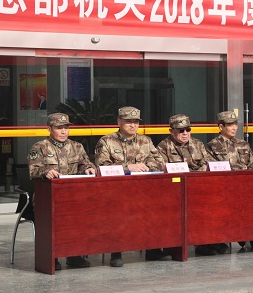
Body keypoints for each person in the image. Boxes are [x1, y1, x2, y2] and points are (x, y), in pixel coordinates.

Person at [94, 106, 168, 267]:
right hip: (116, 190)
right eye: (129, 122)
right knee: (117, 214)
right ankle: (116, 252)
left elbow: (159, 162)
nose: (133, 125)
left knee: (157, 210)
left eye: (136, 122)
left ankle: (153, 249)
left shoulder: (145, 141)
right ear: (119, 122)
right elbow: (102, 165)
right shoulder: (106, 141)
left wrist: (146, 166)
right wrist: (128, 167)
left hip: (143, 189)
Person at [28, 113, 96, 271]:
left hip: (73, 196)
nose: (64, 131)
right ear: (49, 129)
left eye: (66, 127)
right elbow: (33, 170)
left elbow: (85, 163)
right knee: (53, 221)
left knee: (84, 214)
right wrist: (46, 171)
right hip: (48, 197)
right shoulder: (39, 147)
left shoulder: (77, 147)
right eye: (59, 128)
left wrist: (88, 168)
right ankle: (52, 257)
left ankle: (74, 255)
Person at [157, 114, 225, 256]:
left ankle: (208, 241)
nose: (185, 133)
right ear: (171, 131)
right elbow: (162, 169)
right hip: (175, 192)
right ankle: (175, 245)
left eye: (188, 130)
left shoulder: (198, 144)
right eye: (181, 130)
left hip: (198, 188)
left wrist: (194, 175)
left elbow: (207, 164)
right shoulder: (163, 147)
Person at [206, 110, 253, 251]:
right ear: (221, 127)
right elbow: (212, 168)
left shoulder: (243, 144)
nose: (234, 128)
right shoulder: (212, 146)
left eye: (235, 124)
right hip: (225, 188)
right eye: (230, 125)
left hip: (245, 186)